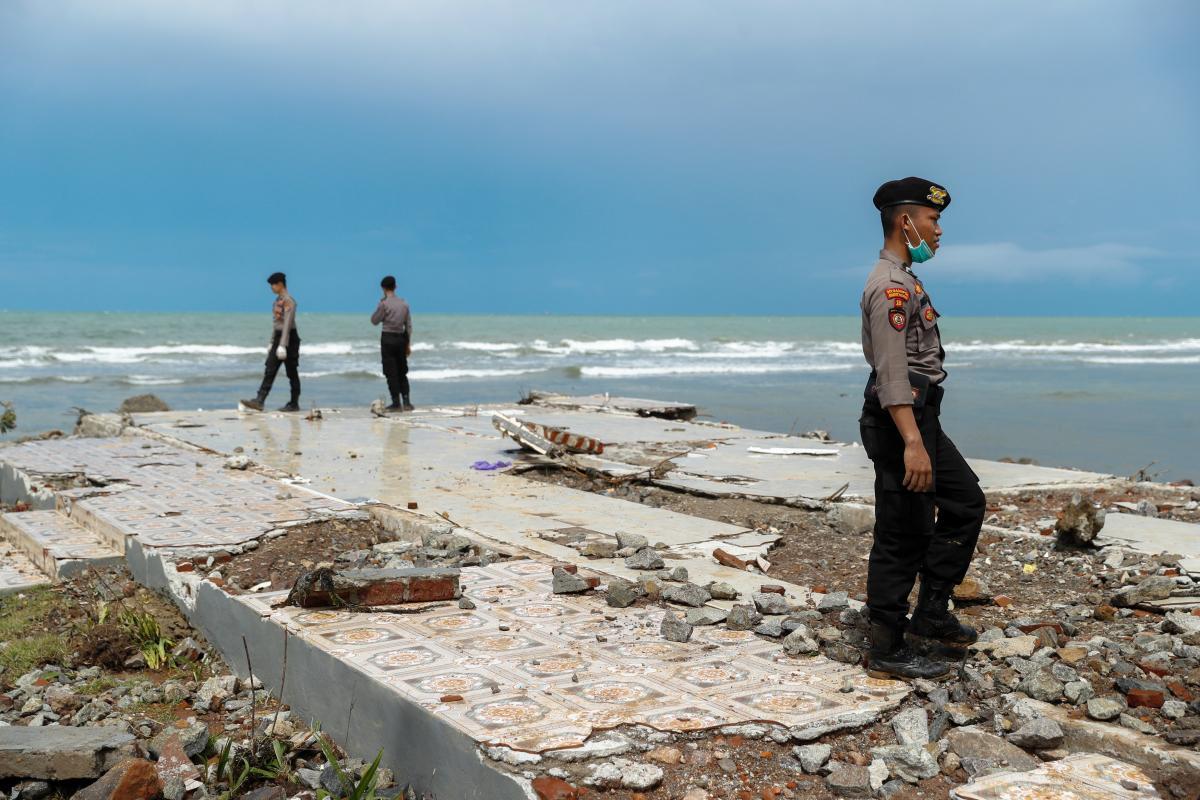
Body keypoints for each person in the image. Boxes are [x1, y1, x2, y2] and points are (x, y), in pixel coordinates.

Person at [858, 177, 986, 680]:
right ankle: (886, 644)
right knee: (903, 529)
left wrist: (922, 431)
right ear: (905, 221)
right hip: (899, 422)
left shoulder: (908, 279)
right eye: (933, 221)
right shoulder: (889, 286)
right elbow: (891, 372)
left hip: (921, 416)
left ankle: (930, 613)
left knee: (964, 502)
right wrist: (912, 442)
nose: (938, 232)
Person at [240, 272, 301, 412]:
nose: (271, 288)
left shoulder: (289, 301)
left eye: (273, 285)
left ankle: (294, 403)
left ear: (280, 284)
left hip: (289, 339)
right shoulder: (277, 300)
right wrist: (272, 341)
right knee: (270, 369)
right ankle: (260, 400)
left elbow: (287, 323)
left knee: (292, 371)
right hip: (279, 338)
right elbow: (277, 323)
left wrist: (283, 345)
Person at [370, 275, 414, 411]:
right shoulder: (404, 304)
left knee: (391, 372)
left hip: (387, 339)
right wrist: (408, 343)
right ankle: (406, 402)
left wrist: (381, 305)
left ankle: (396, 402)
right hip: (401, 338)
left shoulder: (383, 304)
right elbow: (409, 326)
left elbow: (374, 321)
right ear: (395, 287)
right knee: (402, 371)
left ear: (383, 288)